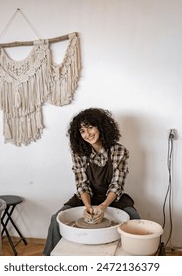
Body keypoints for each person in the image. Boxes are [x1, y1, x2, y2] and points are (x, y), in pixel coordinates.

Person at [43, 108, 140, 255]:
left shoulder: (118, 151)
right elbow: (82, 185)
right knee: (56, 220)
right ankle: (49, 259)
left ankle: (133, 259)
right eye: (82, 131)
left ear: (101, 127)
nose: (87, 134)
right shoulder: (79, 153)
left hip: (111, 198)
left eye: (90, 127)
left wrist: (103, 206)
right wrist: (88, 205)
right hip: (86, 197)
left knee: (134, 218)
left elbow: (117, 185)